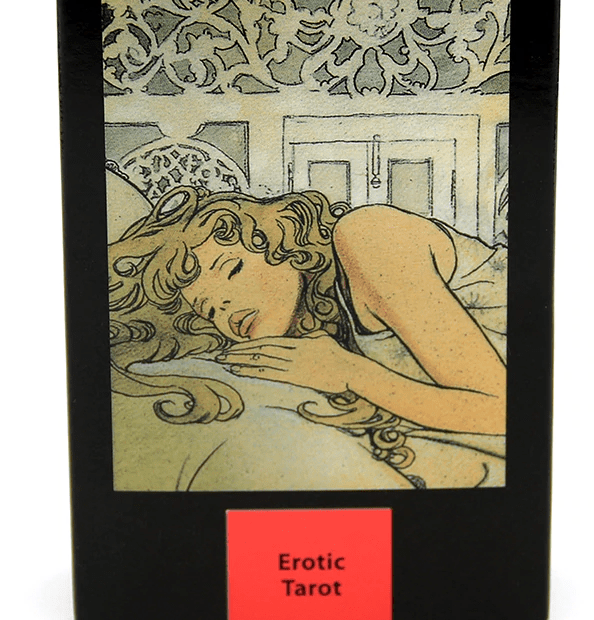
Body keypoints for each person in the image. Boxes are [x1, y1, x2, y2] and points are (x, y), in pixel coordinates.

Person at [108, 186, 507, 440]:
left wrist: (349, 373)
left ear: (281, 241)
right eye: (209, 310)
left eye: (232, 270)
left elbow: (503, 413)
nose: (225, 310)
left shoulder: (367, 237)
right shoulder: (322, 324)